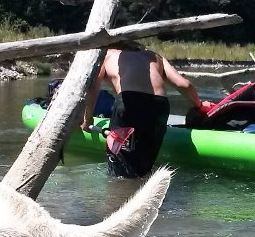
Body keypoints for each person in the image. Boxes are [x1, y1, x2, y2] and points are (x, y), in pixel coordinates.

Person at [81, 41, 213, 178]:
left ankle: (119, 197)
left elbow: (92, 88)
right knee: (144, 166)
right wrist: (199, 106)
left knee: (120, 168)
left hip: (129, 104)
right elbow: (184, 85)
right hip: (159, 106)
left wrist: (87, 119)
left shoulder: (107, 55)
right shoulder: (154, 56)